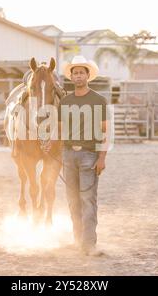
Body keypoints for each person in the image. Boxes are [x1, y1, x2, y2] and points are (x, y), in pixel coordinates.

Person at [58, 55, 109, 256]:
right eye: (75, 72)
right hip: (68, 155)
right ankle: (77, 239)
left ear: (88, 75)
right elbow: (60, 131)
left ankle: (89, 244)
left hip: (89, 155)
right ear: (71, 77)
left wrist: (102, 157)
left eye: (82, 72)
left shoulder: (98, 100)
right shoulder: (65, 101)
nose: (78, 76)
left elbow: (105, 131)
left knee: (88, 199)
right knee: (72, 200)